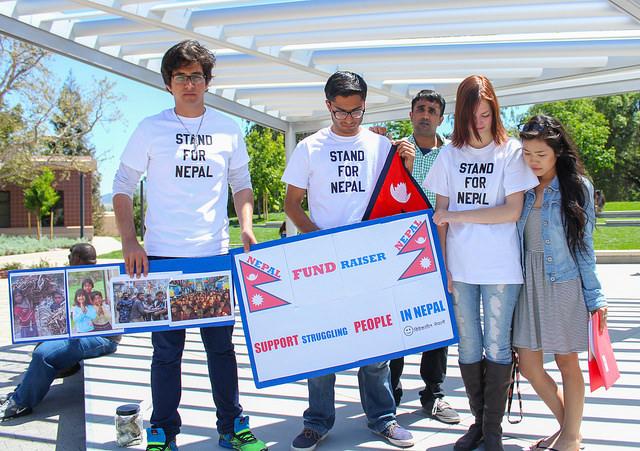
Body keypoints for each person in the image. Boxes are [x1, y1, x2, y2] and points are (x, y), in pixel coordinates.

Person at [112, 40, 266, 451]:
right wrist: (130, 240)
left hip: (213, 256)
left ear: (208, 81)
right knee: (166, 352)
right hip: (161, 257)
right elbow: (123, 185)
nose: (190, 83)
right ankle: (163, 431)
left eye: (197, 76)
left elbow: (242, 184)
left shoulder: (228, 128)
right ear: (169, 83)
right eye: (181, 76)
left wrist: (246, 227)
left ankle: (232, 426)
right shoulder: (150, 128)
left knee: (221, 349)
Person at [282, 71, 416, 451]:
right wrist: (318, 239)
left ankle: (382, 418)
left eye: (356, 112)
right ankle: (317, 422)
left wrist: (404, 163)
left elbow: (400, 197)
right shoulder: (309, 147)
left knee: (377, 345)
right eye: (341, 112)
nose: (349, 119)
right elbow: (292, 205)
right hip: (322, 261)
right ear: (328, 106)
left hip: (371, 260)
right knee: (322, 343)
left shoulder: (381, 145)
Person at [424, 75, 538, 451]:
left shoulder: (511, 152)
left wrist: (458, 216)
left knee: (498, 346)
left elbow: (511, 211)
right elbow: (438, 214)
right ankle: (478, 423)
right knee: (469, 346)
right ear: (461, 115)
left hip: (501, 267)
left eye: (486, 114)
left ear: (495, 112)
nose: (480, 122)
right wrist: (444, 268)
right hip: (461, 268)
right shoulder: (448, 156)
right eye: (473, 115)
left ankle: (494, 431)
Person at [514, 115, 608, 451]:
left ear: (557, 151)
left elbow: (584, 245)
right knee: (528, 365)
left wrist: (595, 297)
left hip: (563, 281)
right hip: (528, 284)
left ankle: (570, 437)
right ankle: (568, 429)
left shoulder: (576, 186)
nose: (533, 161)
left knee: (567, 361)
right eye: (527, 153)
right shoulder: (521, 186)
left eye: (540, 154)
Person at [386, 89, 460, 424]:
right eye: (420, 109)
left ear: (441, 118)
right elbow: (389, 197)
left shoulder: (453, 154)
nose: (425, 114)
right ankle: (391, 392)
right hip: (401, 249)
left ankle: (434, 392)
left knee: (437, 321)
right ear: (411, 114)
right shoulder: (395, 151)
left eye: (432, 110)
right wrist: (405, 167)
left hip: (442, 247)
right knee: (399, 321)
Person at [0, 243, 120, 421]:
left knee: (43, 354)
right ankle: (20, 393)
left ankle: (20, 403)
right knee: (42, 344)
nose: (68, 259)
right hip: (78, 333)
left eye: (70, 255)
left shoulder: (106, 280)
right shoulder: (69, 277)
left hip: (103, 336)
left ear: (77, 258)